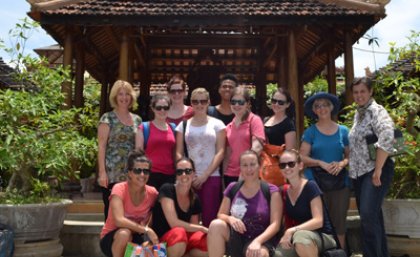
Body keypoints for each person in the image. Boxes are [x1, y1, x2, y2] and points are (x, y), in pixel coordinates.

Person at [348, 77, 395, 257]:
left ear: (370, 92)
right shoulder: (359, 113)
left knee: (368, 218)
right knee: (373, 218)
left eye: (362, 91)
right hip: (360, 174)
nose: (359, 95)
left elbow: (388, 135)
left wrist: (378, 169)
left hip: (376, 171)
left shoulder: (376, 111)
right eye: (356, 92)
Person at [299, 92, 350, 249]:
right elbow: (301, 157)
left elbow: (350, 156)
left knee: (339, 223)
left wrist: (341, 164)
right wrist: (320, 162)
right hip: (316, 184)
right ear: (314, 110)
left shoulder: (343, 131)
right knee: (318, 222)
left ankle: (340, 253)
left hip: (340, 183)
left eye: (325, 105)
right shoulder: (310, 132)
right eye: (317, 106)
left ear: (331, 107)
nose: (322, 108)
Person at [207, 150, 281, 257]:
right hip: (237, 238)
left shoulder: (271, 190)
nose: (249, 169)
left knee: (257, 254)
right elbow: (220, 215)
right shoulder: (233, 188)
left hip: (261, 239)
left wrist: (257, 242)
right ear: (240, 168)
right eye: (245, 165)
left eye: (252, 164)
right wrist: (230, 219)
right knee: (215, 225)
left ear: (260, 166)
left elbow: (275, 225)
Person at [176, 88, 226, 227]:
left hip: (211, 176)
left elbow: (221, 152)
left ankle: (209, 247)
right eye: (195, 101)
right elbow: (179, 153)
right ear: (191, 103)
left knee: (210, 218)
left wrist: (205, 175)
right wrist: (187, 174)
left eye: (203, 101)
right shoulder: (183, 125)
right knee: (189, 218)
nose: (199, 104)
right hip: (188, 178)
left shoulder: (217, 124)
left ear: (208, 102)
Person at [275, 149, 336, 257]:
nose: (287, 168)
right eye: (282, 165)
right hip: (298, 236)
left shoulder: (310, 186)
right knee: (279, 253)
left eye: (291, 164)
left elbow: (318, 221)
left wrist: (291, 231)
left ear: (300, 166)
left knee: (301, 238)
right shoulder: (284, 192)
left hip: (322, 235)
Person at [99, 150, 159, 257]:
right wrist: (146, 230)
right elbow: (119, 220)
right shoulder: (119, 189)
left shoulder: (152, 193)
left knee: (151, 247)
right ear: (129, 173)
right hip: (113, 238)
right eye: (137, 170)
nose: (142, 174)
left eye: (146, 171)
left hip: (137, 235)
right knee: (125, 234)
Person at [97, 80, 142, 220]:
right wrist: (102, 173)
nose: (124, 97)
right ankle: (109, 241)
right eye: (120, 94)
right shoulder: (107, 118)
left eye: (127, 94)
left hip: (131, 175)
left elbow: (139, 148)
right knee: (112, 214)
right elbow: (101, 146)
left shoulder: (137, 120)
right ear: (115, 97)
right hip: (112, 174)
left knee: (130, 213)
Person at [152, 158, 208, 257]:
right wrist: (202, 228)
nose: (184, 175)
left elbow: (193, 229)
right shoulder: (167, 189)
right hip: (160, 244)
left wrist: (204, 232)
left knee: (206, 240)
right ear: (176, 175)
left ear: (194, 173)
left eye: (188, 171)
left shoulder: (195, 198)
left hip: (183, 242)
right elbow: (174, 223)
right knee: (179, 233)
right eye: (179, 172)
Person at [224, 87, 265, 187]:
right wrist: (223, 176)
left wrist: (244, 172)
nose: (237, 105)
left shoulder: (254, 120)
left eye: (241, 102)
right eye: (233, 102)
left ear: (247, 104)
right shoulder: (228, 126)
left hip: (249, 173)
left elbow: (257, 148)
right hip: (229, 175)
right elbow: (227, 154)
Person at [135, 94, 176, 191]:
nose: (162, 111)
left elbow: (174, 153)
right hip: (150, 175)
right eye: (159, 108)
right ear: (153, 109)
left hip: (169, 175)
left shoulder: (173, 128)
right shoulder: (144, 127)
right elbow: (138, 154)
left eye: (165, 108)